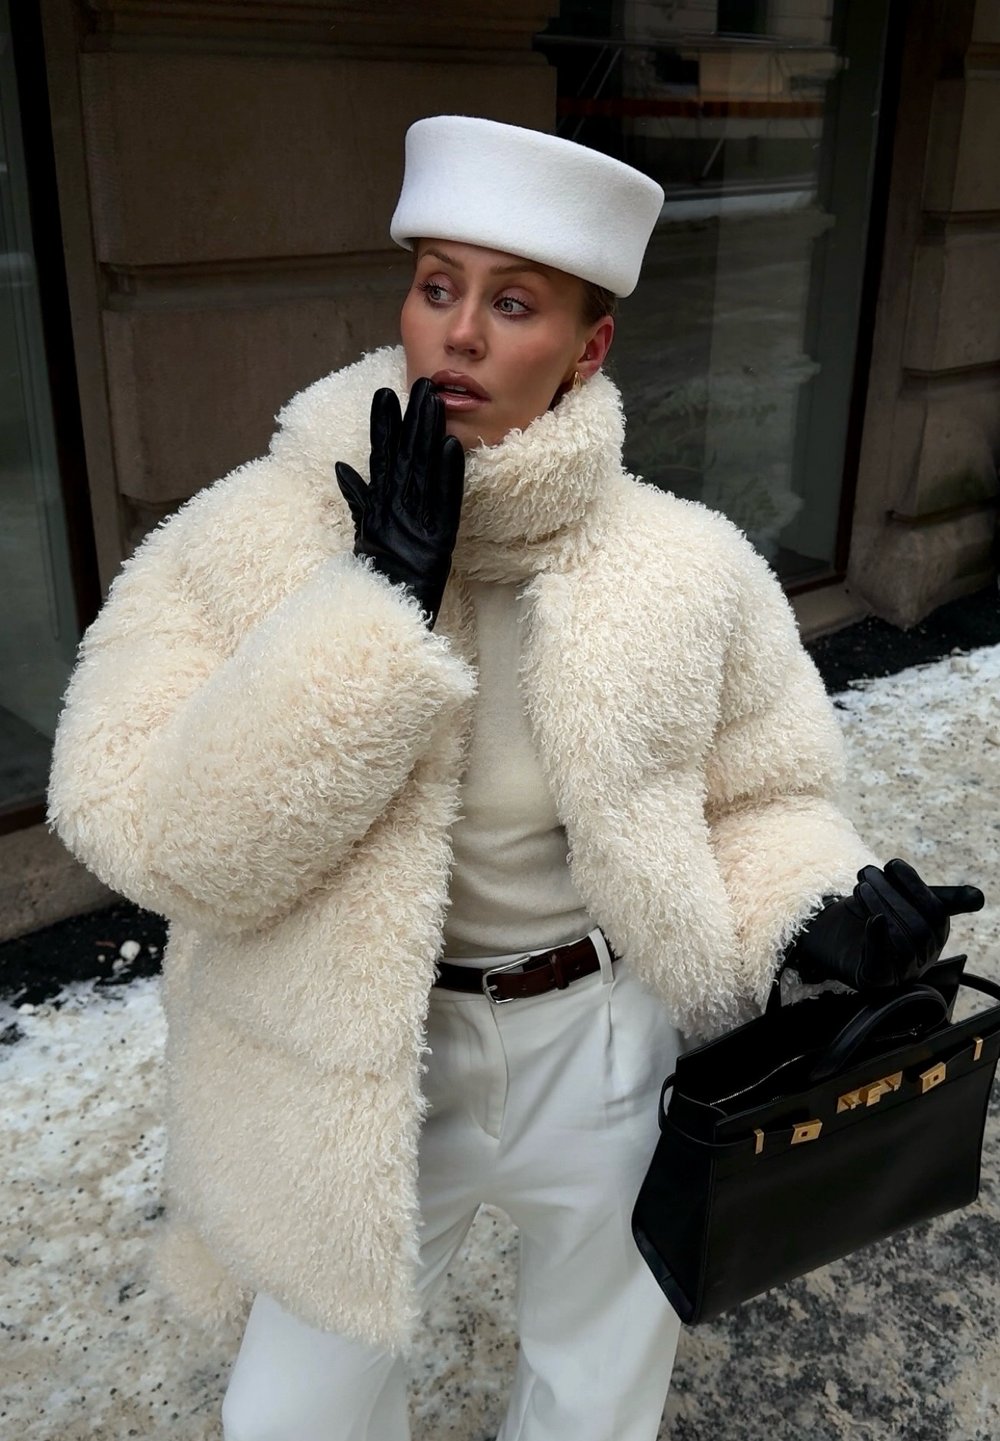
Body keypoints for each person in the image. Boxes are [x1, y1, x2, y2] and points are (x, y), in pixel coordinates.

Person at [46, 115, 983, 1441]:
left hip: (597, 1047)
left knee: (596, 1392)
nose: (462, 335)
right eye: (438, 286)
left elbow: (763, 796)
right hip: (359, 1057)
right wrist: (371, 612)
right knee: (292, 1417)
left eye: (515, 301)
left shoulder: (684, 567)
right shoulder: (256, 537)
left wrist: (818, 897)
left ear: (588, 347)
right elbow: (149, 827)